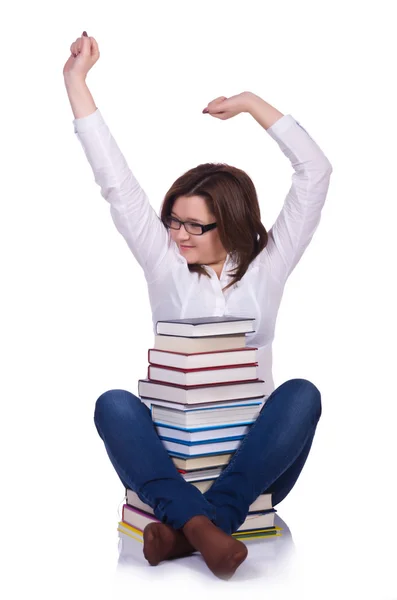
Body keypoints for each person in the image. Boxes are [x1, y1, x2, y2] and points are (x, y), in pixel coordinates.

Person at [63, 32, 333, 580]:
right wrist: (75, 82)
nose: (179, 234)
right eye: (174, 220)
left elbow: (316, 172)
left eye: (195, 225)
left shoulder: (269, 267)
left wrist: (253, 104)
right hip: (173, 463)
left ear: (229, 225)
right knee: (114, 404)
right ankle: (209, 528)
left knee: (302, 395)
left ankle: (193, 529)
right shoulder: (165, 264)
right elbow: (115, 182)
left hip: (254, 470)